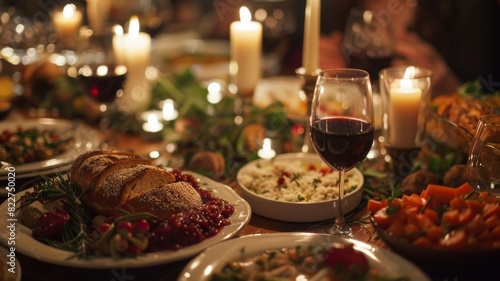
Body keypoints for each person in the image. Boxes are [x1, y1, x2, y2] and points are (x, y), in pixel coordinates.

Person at [319, 0, 500, 96]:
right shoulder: (339, 6)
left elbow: (489, 117)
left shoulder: (473, 10)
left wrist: (448, 88)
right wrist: (330, 65)